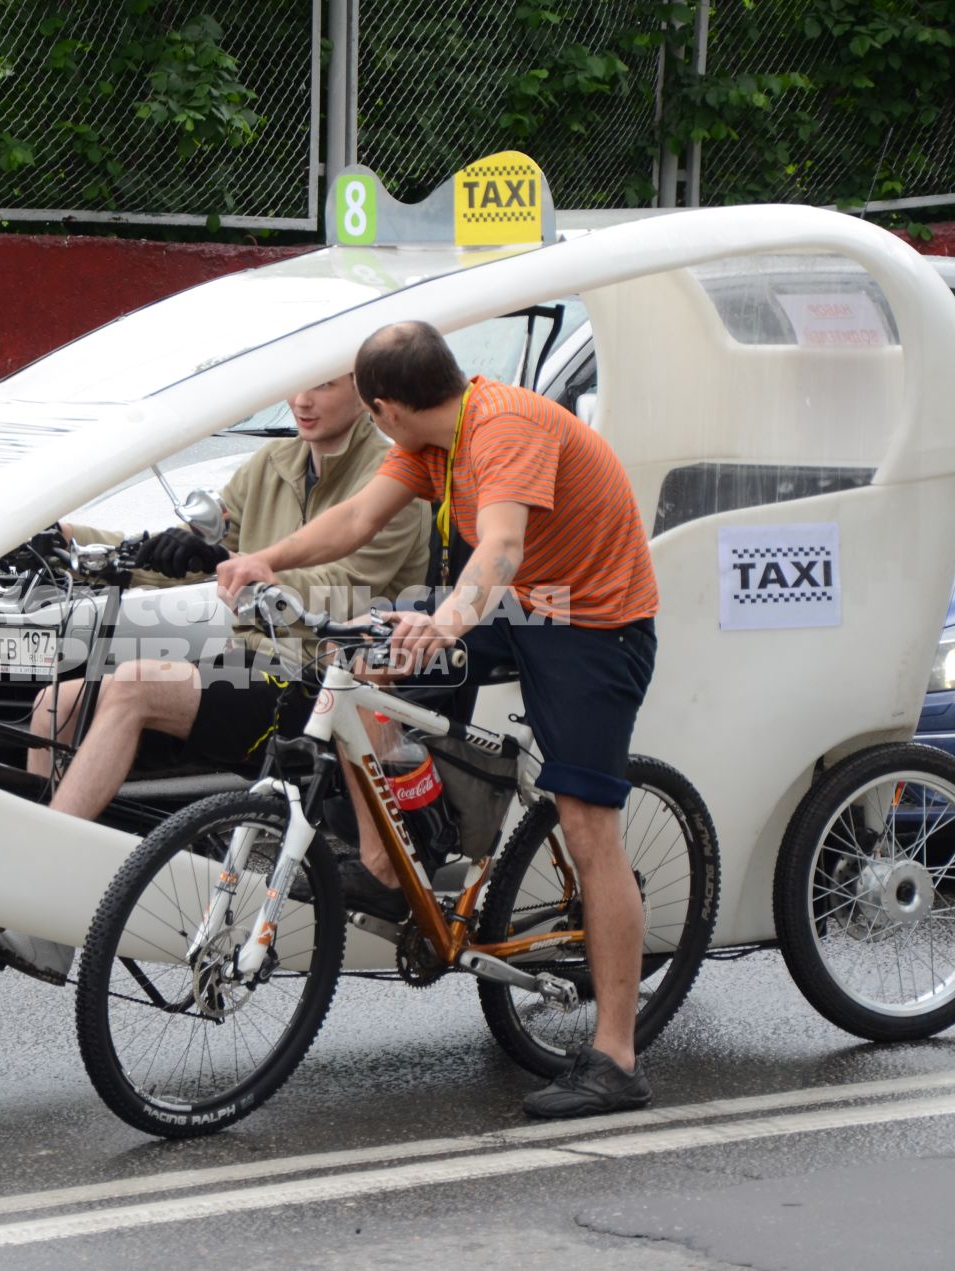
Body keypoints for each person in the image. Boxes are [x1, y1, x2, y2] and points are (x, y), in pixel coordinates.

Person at [216, 321, 660, 1120]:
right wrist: (266, 561)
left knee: (592, 830)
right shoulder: (435, 434)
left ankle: (617, 1056)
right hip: (520, 605)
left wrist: (447, 624)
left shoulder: (506, 428)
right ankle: (392, 865)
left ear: (384, 408)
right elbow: (357, 519)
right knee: (364, 663)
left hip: (591, 621)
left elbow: (500, 550)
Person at [0, 375, 431, 983]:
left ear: (362, 388)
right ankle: (54, 909)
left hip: (322, 683)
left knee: (134, 685)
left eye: (323, 385)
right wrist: (66, 537)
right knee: (56, 703)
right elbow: (195, 547)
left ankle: (40, 892)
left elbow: (340, 587)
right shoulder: (271, 462)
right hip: (250, 669)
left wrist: (233, 566)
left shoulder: (394, 479)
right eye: (296, 385)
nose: (303, 400)